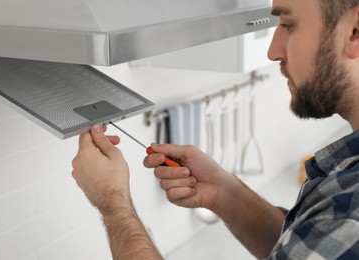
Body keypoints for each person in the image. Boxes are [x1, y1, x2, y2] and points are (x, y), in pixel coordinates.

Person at [71, 0, 359, 258]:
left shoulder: (350, 216)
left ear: (354, 31)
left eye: (288, 24)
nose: (273, 51)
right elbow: (300, 244)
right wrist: (224, 192)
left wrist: (113, 201)